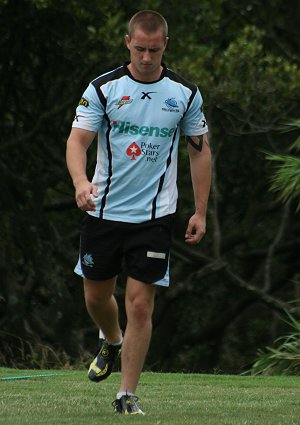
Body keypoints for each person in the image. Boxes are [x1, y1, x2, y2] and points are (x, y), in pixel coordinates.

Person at [66, 10, 211, 415]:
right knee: (96, 296)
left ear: (166, 45)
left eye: (155, 49)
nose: (146, 57)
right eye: (140, 49)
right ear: (128, 43)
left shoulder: (184, 94)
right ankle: (111, 340)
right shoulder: (103, 89)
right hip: (103, 211)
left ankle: (126, 395)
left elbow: (200, 153)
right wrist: (81, 182)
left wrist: (200, 211)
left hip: (154, 217)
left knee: (141, 305)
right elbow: (78, 142)